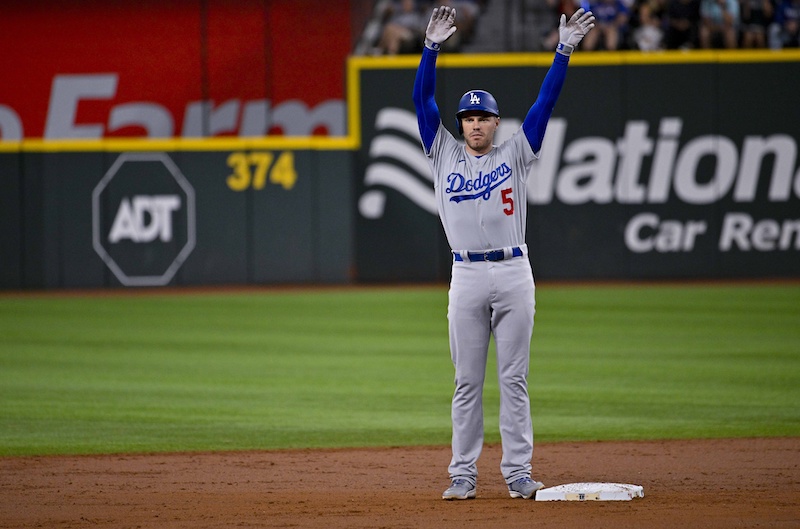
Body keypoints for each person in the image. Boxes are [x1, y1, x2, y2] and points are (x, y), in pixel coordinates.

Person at [411, 5, 595, 501]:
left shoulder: (516, 152)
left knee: (514, 380)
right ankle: (462, 475)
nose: (474, 125)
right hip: (466, 275)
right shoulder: (442, 151)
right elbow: (421, 99)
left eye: (482, 118)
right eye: (467, 118)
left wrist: (563, 51)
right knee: (466, 382)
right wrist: (429, 49)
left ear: (495, 123)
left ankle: (518, 473)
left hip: (514, 271)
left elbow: (545, 104)